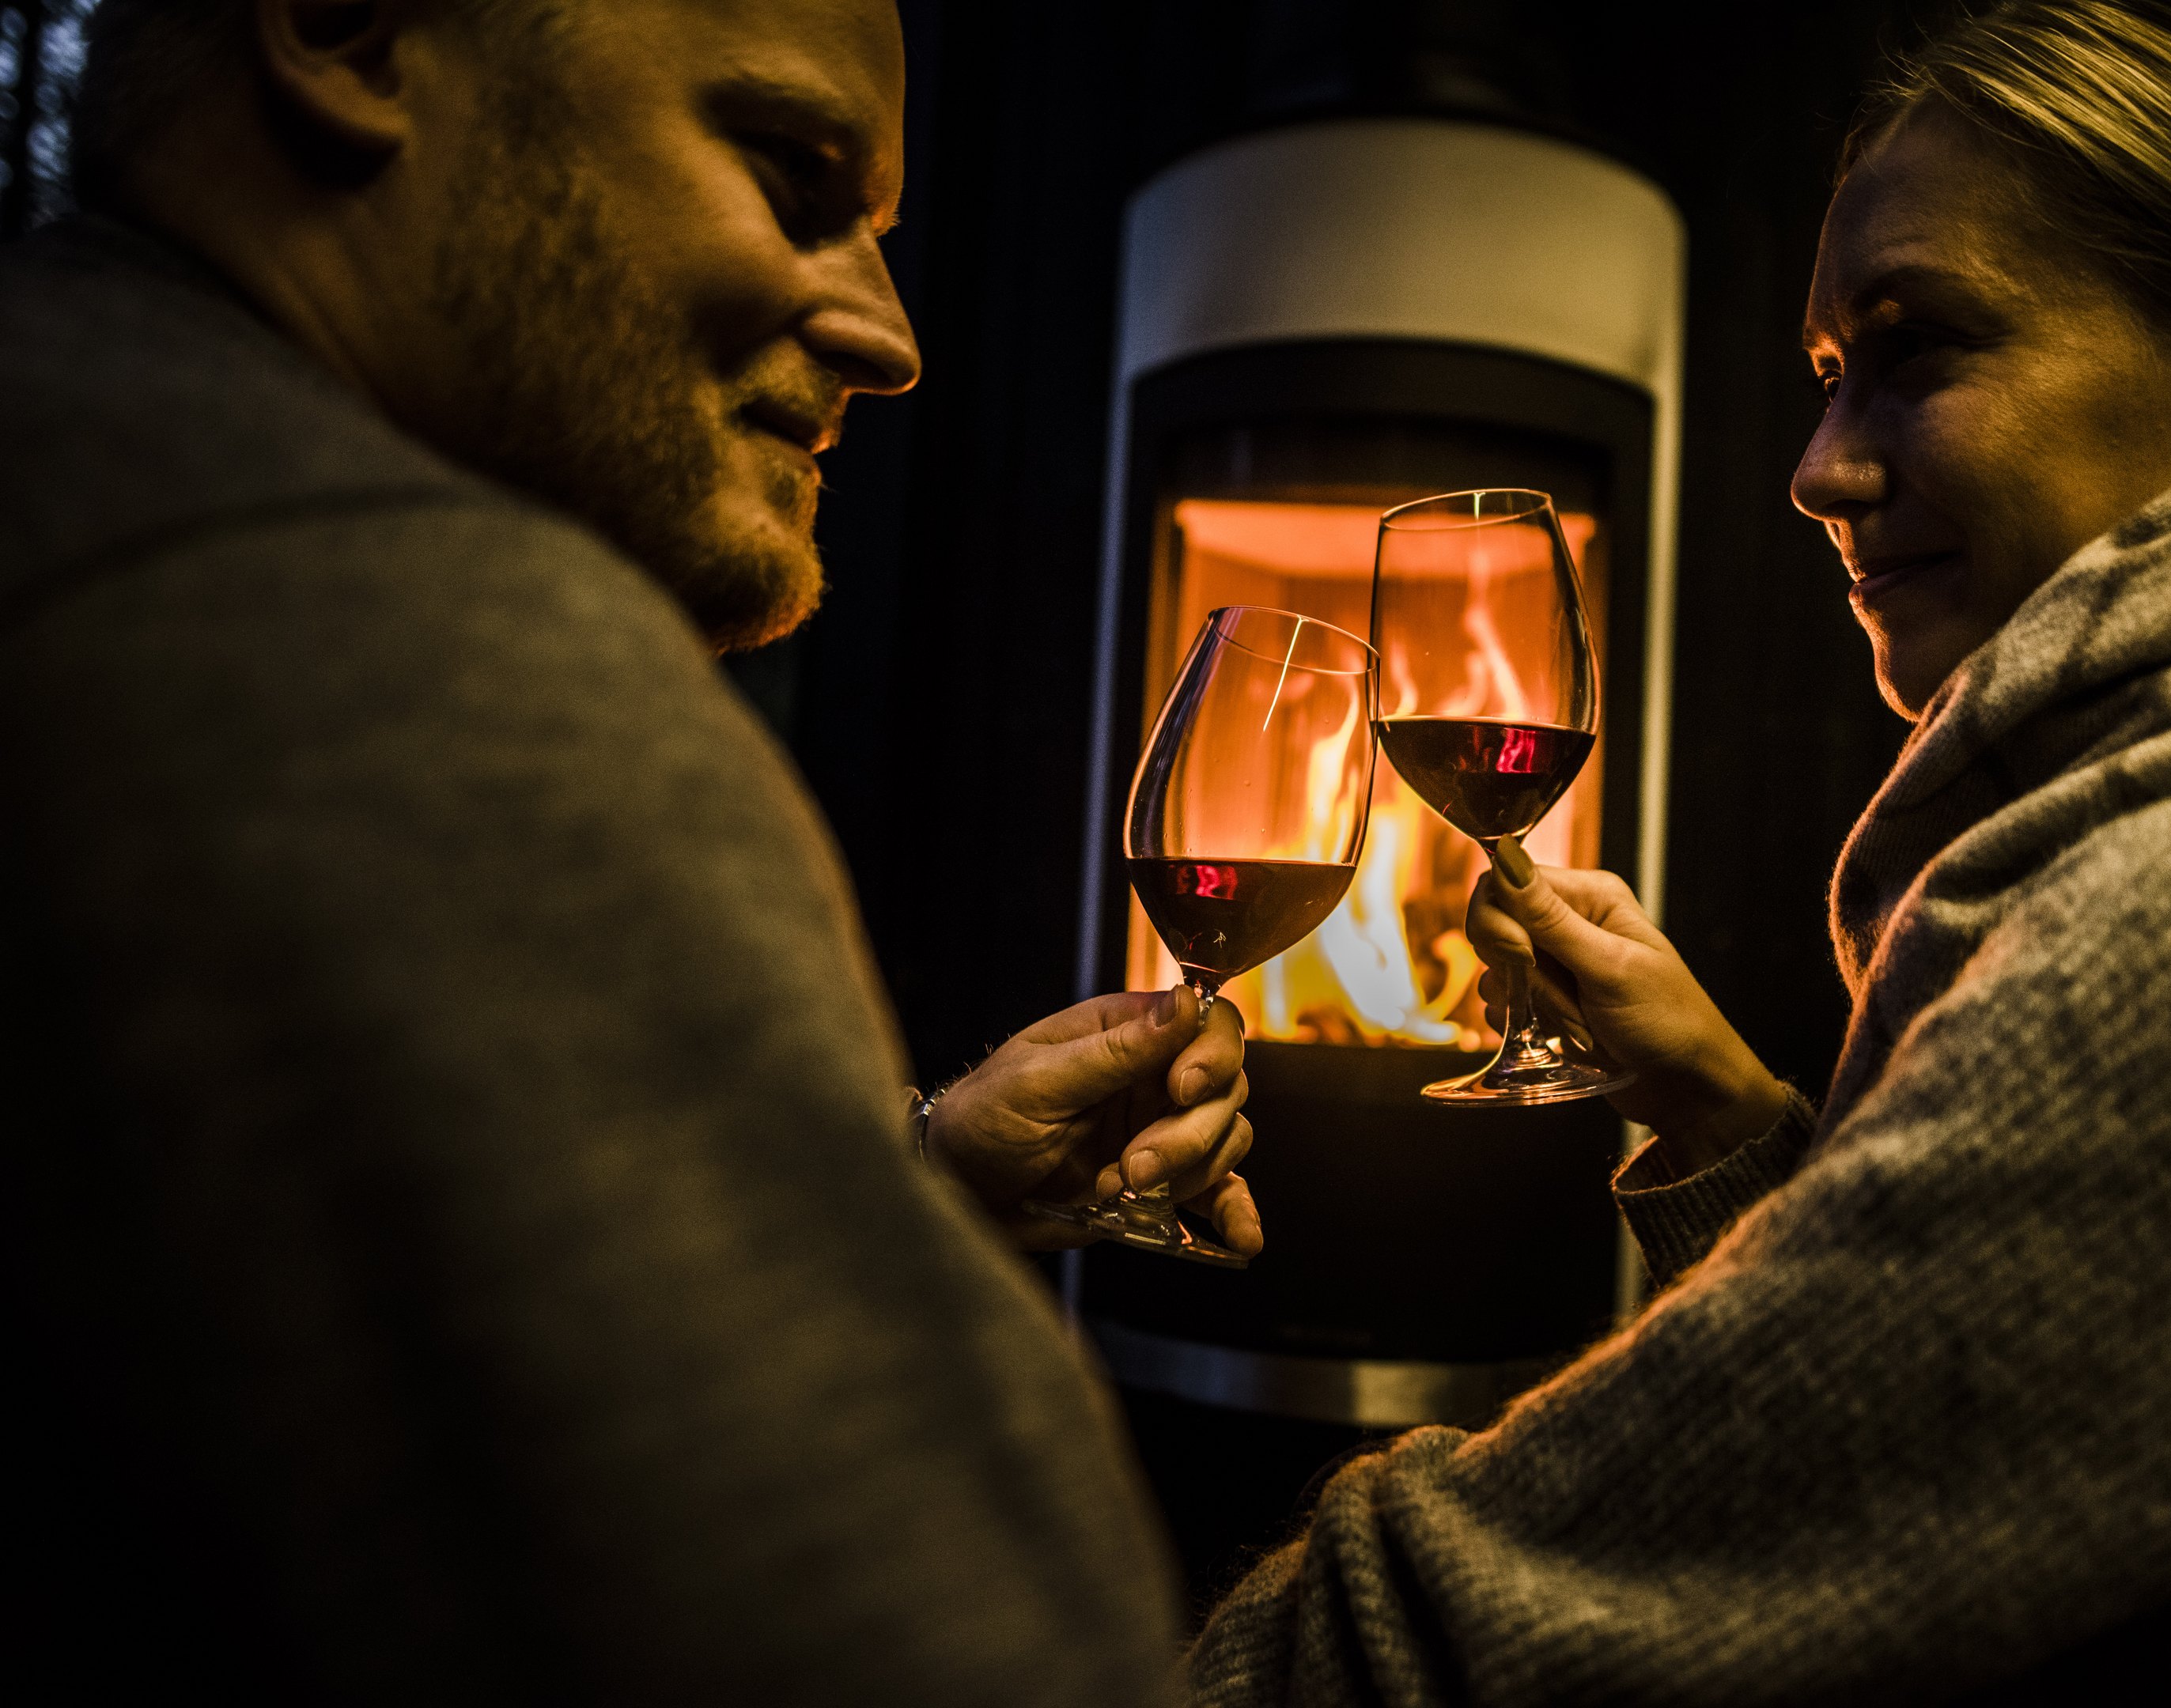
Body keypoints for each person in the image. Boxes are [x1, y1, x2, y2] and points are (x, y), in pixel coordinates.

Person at [1189, 1, 2171, 1700]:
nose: (1815, 472)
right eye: (1827, 374)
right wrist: (1727, 1126)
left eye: (1918, 348)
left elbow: (1469, 1641)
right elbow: (1997, 1436)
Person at [1, 1, 1254, 1700]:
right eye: (790, 173)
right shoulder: (421, 646)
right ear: (346, 32)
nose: (891, 340)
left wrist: (889, 1189)